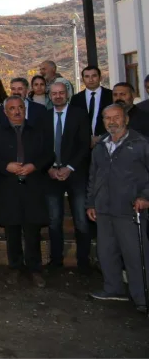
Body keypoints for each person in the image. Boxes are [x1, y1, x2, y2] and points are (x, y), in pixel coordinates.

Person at [86, 104, 149, 312]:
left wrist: (145, 197)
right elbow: (93, 176)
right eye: (107, 118)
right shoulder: (101, 145)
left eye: (117, 117)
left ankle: (142, 296)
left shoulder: (140, 143)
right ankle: (113, 289)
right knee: (106, 252)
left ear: (126, 119)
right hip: (104, 209)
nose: (112, 122)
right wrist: (91, 203)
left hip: (130, 210)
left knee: (135, 255)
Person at [0, 96, 51, 288]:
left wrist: (34, 166)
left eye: (20, 107)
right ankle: (14, 267)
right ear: (6, 112)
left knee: (32, 231)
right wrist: (6, 166)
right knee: (12, 231)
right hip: (8, 188)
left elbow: (49, 155)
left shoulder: (37, 131)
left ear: (25, 109)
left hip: (33, 187)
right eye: (12, 108)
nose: (17, 111)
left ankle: (35, 269)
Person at [44, 82, 92, 274]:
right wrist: (48, 168)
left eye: (61, 93)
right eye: (54, 93)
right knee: (54, 220)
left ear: (67, 95)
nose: (58, 96)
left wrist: (69, 167)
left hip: (76, 173)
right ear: (50, 96)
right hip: (51, 174)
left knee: (81, 219)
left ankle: (83, 262)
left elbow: (84, 144)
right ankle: (56, 260)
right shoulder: (44, 117)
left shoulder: (79, 114)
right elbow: (40, 146)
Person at [70, 66, 113, 139]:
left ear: (100, 77)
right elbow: (73, 122)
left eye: (94, 76)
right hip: (83, 142)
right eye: (87, 76)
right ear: (83, 79)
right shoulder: (76, 99)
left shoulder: (111, 95)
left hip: (107, 140)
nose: (91, 79)